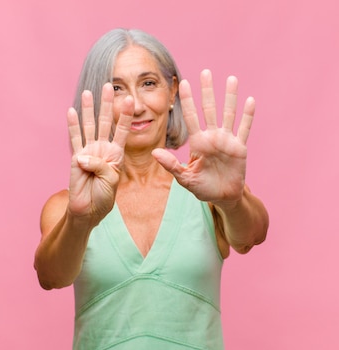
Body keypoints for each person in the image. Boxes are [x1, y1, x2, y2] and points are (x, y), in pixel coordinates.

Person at [34, 28, 269, 349]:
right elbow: (50, 276)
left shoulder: (207, 191)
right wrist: (80, 220)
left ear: (172, 91)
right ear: (98, 101)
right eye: (116, 88)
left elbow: (252, 234)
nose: (136, 105)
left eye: (148, 83)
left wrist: (232, 199)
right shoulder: (70, 205)